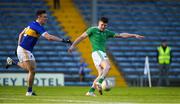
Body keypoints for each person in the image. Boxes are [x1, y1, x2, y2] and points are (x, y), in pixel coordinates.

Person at [68, 17, 144, 96]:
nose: (103, 27)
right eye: (102, 25)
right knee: (107, 66)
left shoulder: (107, 32)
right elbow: (81, 37)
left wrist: (134, 35)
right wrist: (73, 46)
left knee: (101, 73)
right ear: (98, 23)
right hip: (97, 52)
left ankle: (90, 91)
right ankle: (99, 83)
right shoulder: (92, 30)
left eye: (105, 25)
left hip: (101, 53)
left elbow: (121, 35)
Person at [5, 10, 71, 96]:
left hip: (23, 49)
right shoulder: (37, 26)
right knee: (32, 70)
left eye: (46, 17)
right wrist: (63, 40)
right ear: (39, 17)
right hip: (24, 49)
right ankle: (29, 92)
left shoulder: (31, 24)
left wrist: (18, 46)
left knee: (31, 69)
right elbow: (49, 37)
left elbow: (21, 34)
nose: (46, 19)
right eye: (44, 17)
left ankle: (12, 62)